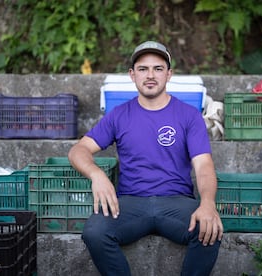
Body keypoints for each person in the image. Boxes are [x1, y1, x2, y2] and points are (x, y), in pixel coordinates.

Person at [68, 41, 223, 276]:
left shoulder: (189, 115)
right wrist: (96, 175)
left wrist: (208, 203)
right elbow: (78, 151)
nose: (150, 75)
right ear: (132, 74)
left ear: (169, 74)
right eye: (143, 69)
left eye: (158, 68)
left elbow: (203, 166)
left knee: (210, 229)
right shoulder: (119, 114)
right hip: (130, 203)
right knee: (94, 232)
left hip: (176, 202)